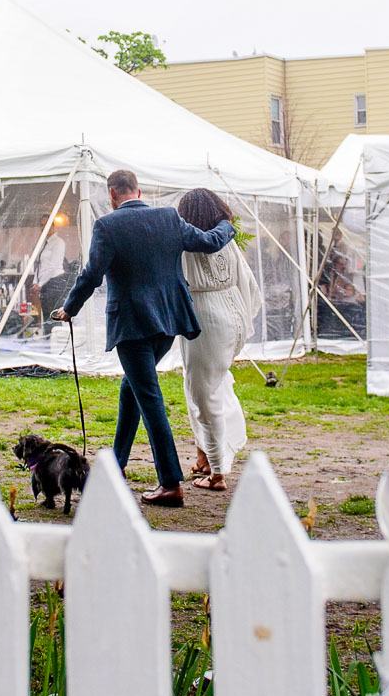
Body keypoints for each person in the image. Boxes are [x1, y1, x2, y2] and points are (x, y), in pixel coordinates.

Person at [50, 169, 234, 506]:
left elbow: (92, 274)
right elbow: (209, 242)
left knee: (149, 398)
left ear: (111, 194)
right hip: (168, 320)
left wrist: (69, 309)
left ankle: (170, 483)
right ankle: (116, 465)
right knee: (132, 389)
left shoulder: (107, 226)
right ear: (139, 190)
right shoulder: (169, 217)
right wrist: (226, 222)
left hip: (132, 324)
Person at [175, 188, 260, 491]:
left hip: (205, 319)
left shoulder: (185, 244)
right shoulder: (227, 241)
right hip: (233, 313)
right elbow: (247, 282)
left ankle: (218, 472)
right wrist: (242, 316)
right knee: (209, 384)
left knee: (203, 394)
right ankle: (206, 458)